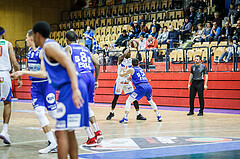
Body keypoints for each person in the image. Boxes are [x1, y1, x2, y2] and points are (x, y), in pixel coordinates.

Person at [12, 21, 90, 159]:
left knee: (60, 133)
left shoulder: (48, 47)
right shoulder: (48, 46)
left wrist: (75, 89)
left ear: (36, 35)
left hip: (71, 87)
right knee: (68, 132)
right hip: (70, 86)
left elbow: (69, 64)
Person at [13, 30, 58, 153]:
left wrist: (23, 72)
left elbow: (43, 74)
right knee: (39, 112)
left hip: (47, 85)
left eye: (26, 38)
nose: (25, 40)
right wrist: (18, 73)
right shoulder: (29, 52)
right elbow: (32, 69)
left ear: (32, 38)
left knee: (53, 114)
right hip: (35, 86)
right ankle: (52, 143)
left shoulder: (42, 52)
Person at [65, 31, 103, 146]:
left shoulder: (68, 48)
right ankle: (97, 131)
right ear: (77, 39)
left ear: (66, 39)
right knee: (85, 106)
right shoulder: (86, 49)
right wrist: (96, 80)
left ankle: (91, 136)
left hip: (79, 76)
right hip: (90, 76)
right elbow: (97, 63)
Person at [106, 48, 146, 121]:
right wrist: (125, 52)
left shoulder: (131, 60)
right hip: (120, 81)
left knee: (134, 97)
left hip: (127, 81)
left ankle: (138, 114)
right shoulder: (120, 59)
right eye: (128, 52)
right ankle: (111, 112)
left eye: (130, 52)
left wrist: (137, 50)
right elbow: (121, 57)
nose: (129, 53)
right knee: (116, 97)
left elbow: (138, 59)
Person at [119, 58, 162, 123]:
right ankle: (159, 116)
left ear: (132, 64)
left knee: (128, 101)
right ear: (138, 63)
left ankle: (125, 118)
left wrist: (121, 70)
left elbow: (122, 75)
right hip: (148, 86)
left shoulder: (131, 69)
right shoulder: (141, 69)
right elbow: (139, 77)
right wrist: (132, 79)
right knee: (150, 101)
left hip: (141, 88)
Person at [0, 26, 22, 145]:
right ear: (3, 34)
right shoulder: (7, 44)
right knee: (7, 103)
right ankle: (5, 130)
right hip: (4, 75)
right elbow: (15, 63)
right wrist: (18, 77)